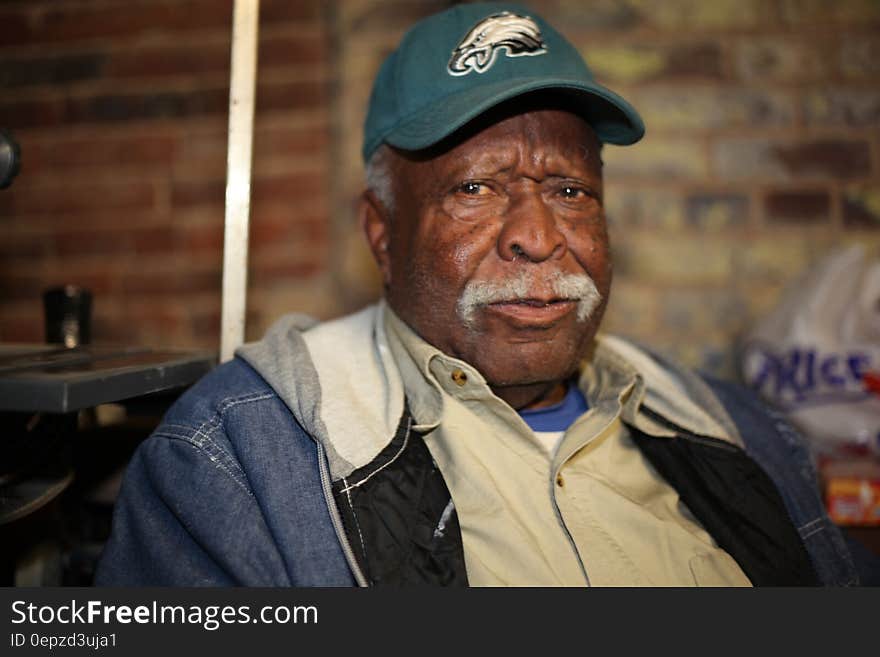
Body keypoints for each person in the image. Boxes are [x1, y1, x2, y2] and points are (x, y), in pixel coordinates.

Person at [95, 2, 858, 587]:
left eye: (568, 188)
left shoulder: (739, 429)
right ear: (383, 231)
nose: (536, 234)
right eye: (474, 187)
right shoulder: (236, 462)